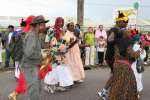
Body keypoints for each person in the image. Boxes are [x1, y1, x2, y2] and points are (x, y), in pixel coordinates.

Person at [98, 11, 139, 100]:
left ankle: (105, 91)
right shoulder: (115, 29)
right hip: (112, 56)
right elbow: (109, 40)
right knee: (116, 75)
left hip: (114, 56)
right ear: (119, 22)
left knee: (115, 75)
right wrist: (120, 40)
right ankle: (108, 92)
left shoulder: (119, 30)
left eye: (126, 22)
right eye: (124, 22)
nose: (126, 23)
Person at [9, 15, 48, 100]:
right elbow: (29, 53)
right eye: (43, 24)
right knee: (33, 90)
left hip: (33, 66)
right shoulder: (32, 36)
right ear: (38, 25)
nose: (45, 26)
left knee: (36, 88)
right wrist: (42, 55)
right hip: (29, 67)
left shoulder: (35, 34)